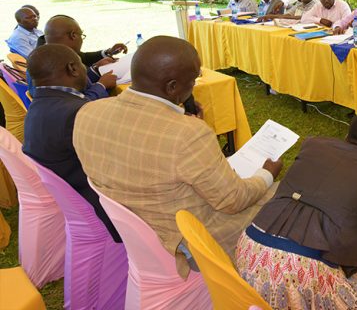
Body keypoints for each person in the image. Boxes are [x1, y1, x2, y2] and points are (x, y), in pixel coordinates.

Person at [73, 36, 283, 276]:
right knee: (287, 193)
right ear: (172, 87)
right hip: (192, 241)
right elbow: (233, 200)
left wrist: (189, 124)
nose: (193, 86)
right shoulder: (186, 134)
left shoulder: (88, 112)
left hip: (140, 231)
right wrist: (267, 173)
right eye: (193, 80)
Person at [237, 113, 357, 309]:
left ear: (347, 136)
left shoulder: (312, 145)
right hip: (301, 271)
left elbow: (326, 191)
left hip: (250, 249)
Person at [22, 44, 121, 242]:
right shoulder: (78, 113)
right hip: (105, 209)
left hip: (74, 199)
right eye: (82, 65)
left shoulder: (38, 105)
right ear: (73, 68)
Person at [29, 15, 118, 100]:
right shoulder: (51, 65)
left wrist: (96, 67)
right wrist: (102, 85)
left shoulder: (43, 55)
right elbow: (77, 106)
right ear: (73, 35)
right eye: (81, 35)